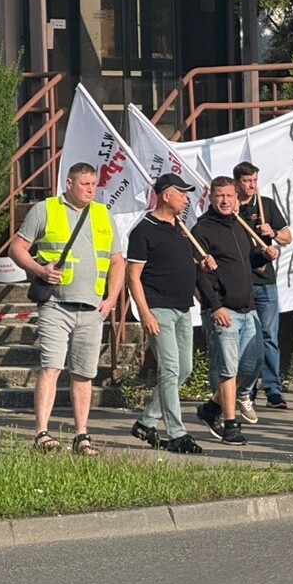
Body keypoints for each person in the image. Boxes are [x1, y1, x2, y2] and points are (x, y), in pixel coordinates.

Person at [9, 161, 125, 456]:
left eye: (94, 184)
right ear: (69, 185)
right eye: (85, 184)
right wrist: (39, 270)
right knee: (51, 367)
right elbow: (17, 248)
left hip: (91, 307)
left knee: (84, 373)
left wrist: (111, 299)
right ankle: (42, 433)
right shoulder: (45, 209)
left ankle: (82, 435)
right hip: (55, 304)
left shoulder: (102, 214)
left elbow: (116, 261)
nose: (90, 189)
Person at [192, 176, 279, 445]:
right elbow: (199, 274)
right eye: (220, 196)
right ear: (211, 197)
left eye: (229, 195)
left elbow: (246, 262)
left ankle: (211, 408)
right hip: (223, 310)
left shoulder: (240, 226)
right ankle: (230, 425)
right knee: (228, 370)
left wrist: (263, 255)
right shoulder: (202, 230)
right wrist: (215, 307)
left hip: (247, 308)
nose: (225, 200)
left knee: (251, 367)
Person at [125, 173, 208, 455]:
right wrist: (144, 313)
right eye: (182, 193)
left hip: (183, 307)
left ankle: (146, 421)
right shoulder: (143, 230)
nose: (186, 198)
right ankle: (176, 433)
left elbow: (182, 264)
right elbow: (133, 276)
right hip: (158, 308)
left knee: (183, 369)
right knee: (170, 369)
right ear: (165, 195)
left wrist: (201, 265)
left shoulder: (180, 228)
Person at [233, 161, 293, 421]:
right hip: (240, 281)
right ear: (237, 182)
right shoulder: (231, 207)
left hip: (265, 280)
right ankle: (246, 389)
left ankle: (273, 389)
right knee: (245, 338)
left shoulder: (265, 204)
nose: (252, 185)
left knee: (268, 335)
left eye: (255, 180)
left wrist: (274, 233)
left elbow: (287, 236)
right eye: (247, 181)